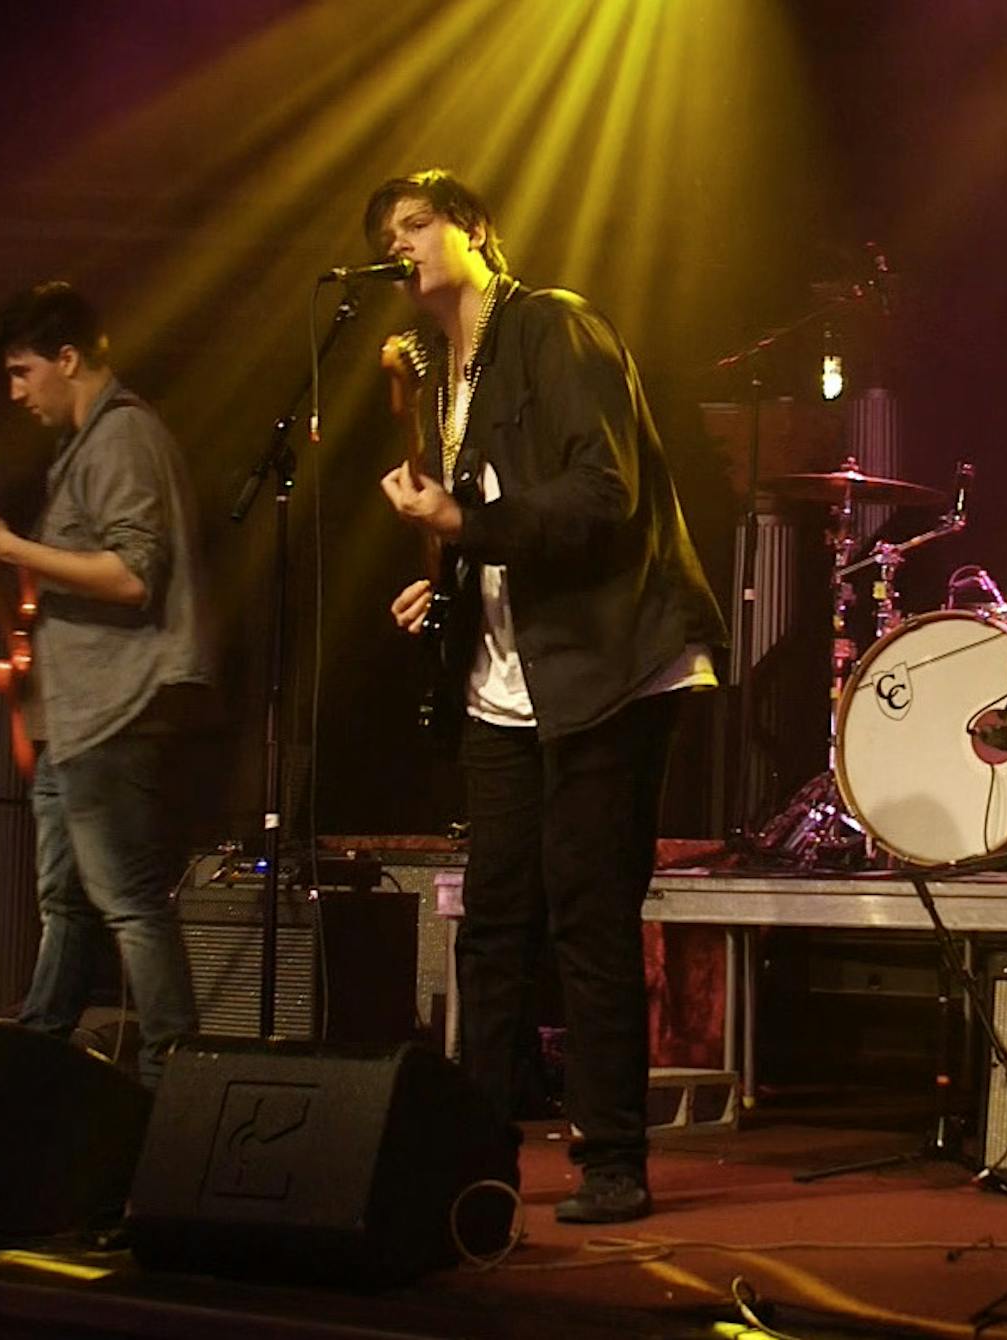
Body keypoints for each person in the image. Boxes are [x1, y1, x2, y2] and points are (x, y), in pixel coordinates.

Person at [371, 170, 728, 1224]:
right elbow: (491, 523)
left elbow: (600, 490)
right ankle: (481, 1157)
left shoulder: (555, 329)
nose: (399, 245)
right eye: (388, 234)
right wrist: (441, 586)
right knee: (491, 922)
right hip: (510, 683)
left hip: (613, 665)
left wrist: (464, 527)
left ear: (476, 232)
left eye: (415, 225)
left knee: (589, 911)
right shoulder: (448, 376)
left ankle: (613, 1156)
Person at [0, 281, 213, 1087]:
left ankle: (176, 1073)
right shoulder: (84, 446)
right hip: (74, 710)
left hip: (116, 706)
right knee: (66, 899)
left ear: (70, 359)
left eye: (25, 372)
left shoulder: (122, 440)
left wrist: (11, 547)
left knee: (127, 901)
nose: (18, 392)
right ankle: (37, 1048)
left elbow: (133, 576)